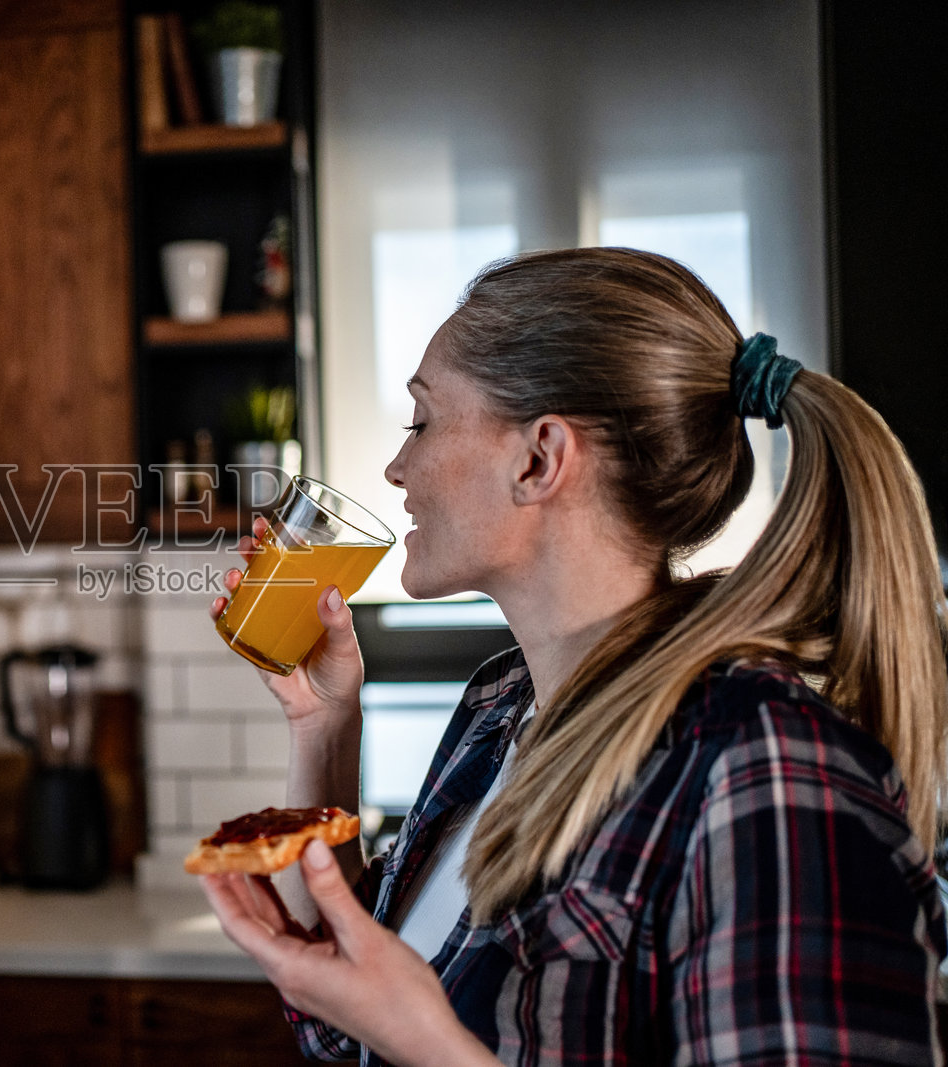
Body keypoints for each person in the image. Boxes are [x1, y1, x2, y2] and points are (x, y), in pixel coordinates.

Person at [200, 247, 948, 1066]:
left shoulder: (763, 764)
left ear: (539, 458)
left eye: (422, 421)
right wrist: (324, 726)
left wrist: (430, 1043)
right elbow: (347, 1027)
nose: (396, 466)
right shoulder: (500, 708)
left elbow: (414, 1033)